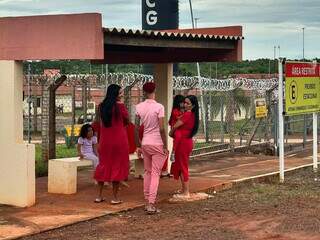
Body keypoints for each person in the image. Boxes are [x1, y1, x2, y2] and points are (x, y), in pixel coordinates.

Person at [134, 82, 169, 214]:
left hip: (145, 143)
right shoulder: (159, 107)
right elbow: (161, 128)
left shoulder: (139, 107)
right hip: (157, 143)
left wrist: (138, 144)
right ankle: (151, 203)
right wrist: (165, 145)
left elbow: (136, 128)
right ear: (155, 90)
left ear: (143, 91)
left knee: (147, 172)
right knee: (155, 173)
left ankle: (147, 200)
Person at [94, 84, 129, 204]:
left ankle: (99, 196)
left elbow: (97, 123)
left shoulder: (101, 106)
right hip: (119, 140)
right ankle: (114, 198)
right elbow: (127, 120)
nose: (122, 94)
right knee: (117, 166)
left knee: (103, 165)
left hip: (104, 140)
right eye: (120, 93)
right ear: (115, 94)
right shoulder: (120, 106)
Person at [170, 95, 199, 199]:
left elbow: (175, 126)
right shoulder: (191, 115)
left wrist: (171, 132)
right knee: (181, 165)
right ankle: (183, 189)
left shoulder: (187, 114)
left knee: (182, 166)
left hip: (182, 142)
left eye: (187, 103)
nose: (185, 105)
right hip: (185, 141)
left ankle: (186, 191)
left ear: (193, 105)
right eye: (184, 102)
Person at [168, 95, 185, 163]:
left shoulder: (183, 110)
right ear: (178, 103)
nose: (183, 104)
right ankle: (173, 152)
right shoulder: (175, 110)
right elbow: (179, 118)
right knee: (178, 136)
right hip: (175, 129)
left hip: (180, 128)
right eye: (182, 102)